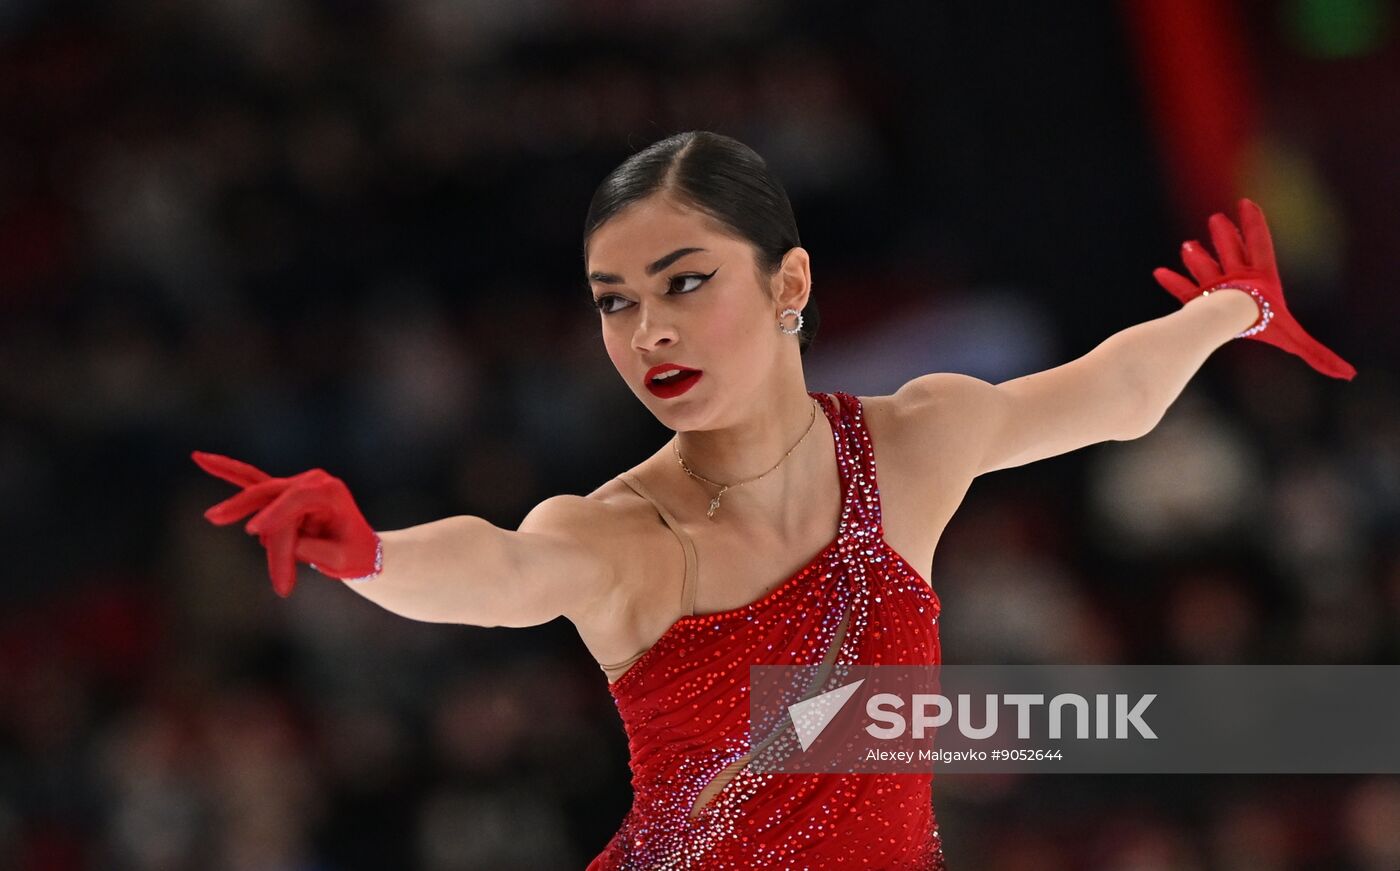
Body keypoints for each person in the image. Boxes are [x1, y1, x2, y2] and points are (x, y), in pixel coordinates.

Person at [192, 131, 1356, 870]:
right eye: (612, 301)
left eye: (684, 282)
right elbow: (501, 573)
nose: (646, 329)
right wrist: (370, 553)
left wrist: (1231, 312)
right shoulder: (620, 533)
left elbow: (1111, 397)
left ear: (787, 281)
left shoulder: (909, 446)